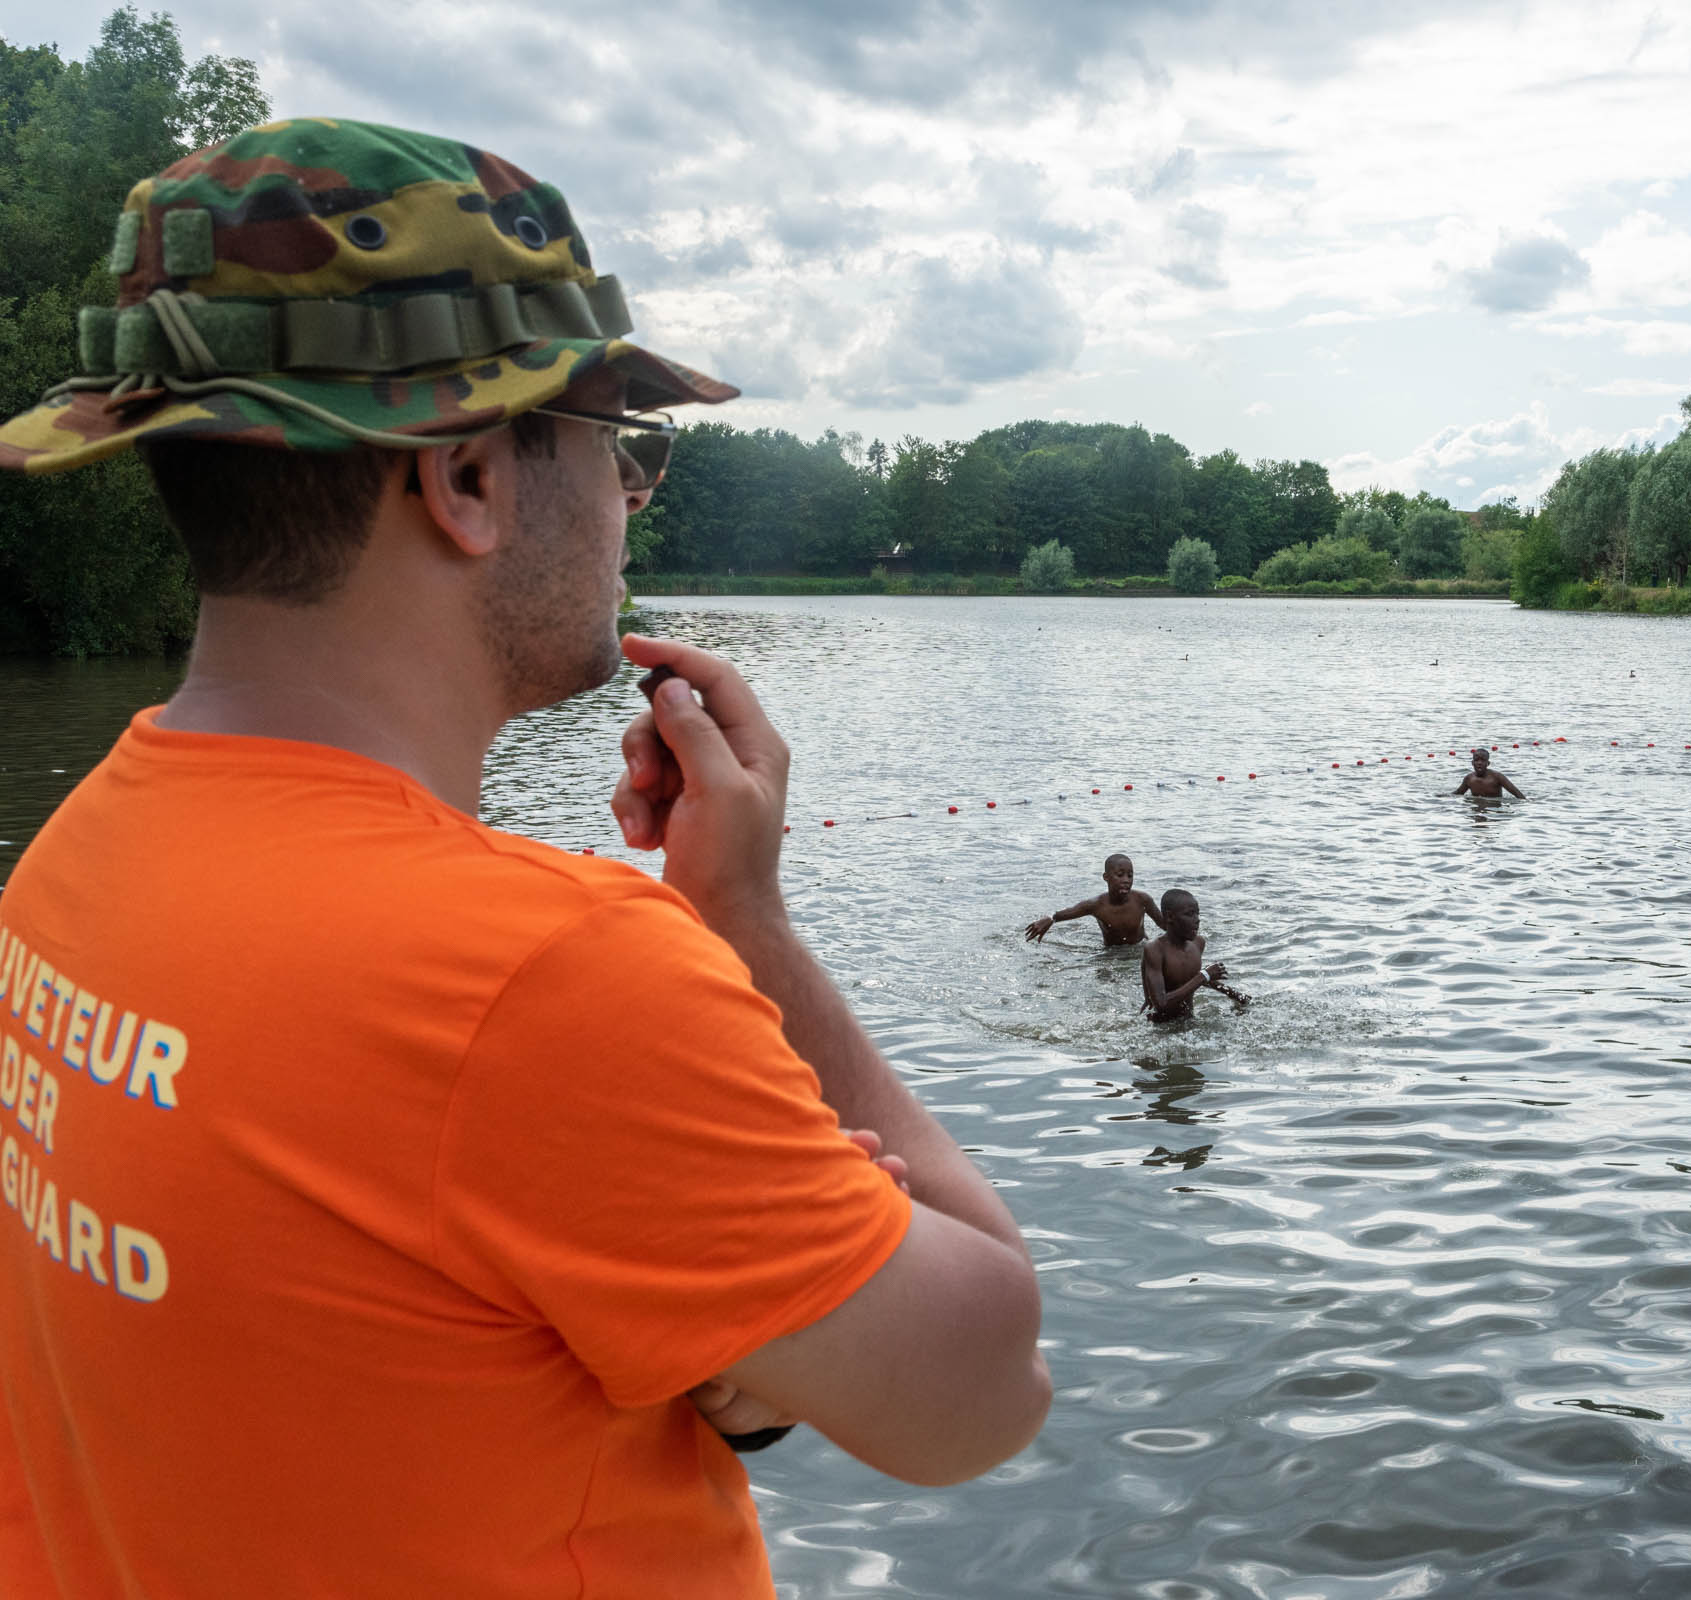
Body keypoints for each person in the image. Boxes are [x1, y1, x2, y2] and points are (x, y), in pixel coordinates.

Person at [0, 120, 1047, 1600]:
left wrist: (716, 1332)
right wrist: (742, 917)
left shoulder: (78, 861)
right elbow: (983, 1386)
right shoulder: (545, 976)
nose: (629, 503)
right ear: (473, 483)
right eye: (618, 448)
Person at [1141, 890, 1248, 1021]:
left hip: (1189, 1020)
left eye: (1197, 914)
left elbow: (1190, 976)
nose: (1197, 920)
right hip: (1161, 1028)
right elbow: (1161, 1004)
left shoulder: (1198, 943)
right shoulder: (1155, 949)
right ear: (1170, 917)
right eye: (1190, 914)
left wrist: (1233, 994)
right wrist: (1204, 976)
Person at [1024, 853, 1163, 945]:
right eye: (1120, 875)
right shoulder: (1097, 905)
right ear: (1106, 877)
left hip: (1138, 949)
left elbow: (1164, 924)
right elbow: (1070, 912)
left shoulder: (1142, 900)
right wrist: (1050, 918)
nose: (1126, 880)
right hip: (1111, 954)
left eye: (1130, 875)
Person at [1452, 747, 1526, 800]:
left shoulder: (1497, 777)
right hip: (1475, 808)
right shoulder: (1469, 779)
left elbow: (1517, 794)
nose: (1479, 763)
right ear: (1472, 763)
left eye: (1483, 760)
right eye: (1476, 760)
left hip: (1494, 810)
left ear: (1488, 763)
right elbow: (1458, 793)